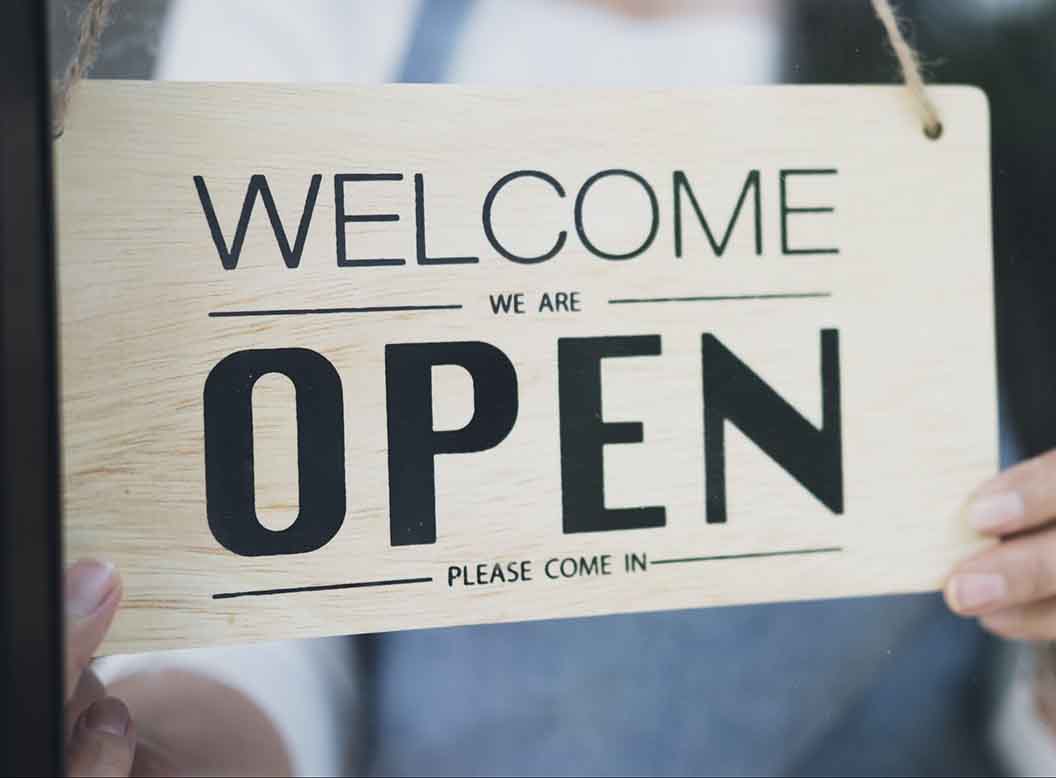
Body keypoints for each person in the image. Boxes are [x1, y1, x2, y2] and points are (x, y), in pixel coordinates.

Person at [62, 1, 1056, 775]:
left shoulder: (993, 55)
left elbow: (1009, 629)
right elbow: (254, 595)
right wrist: (171, 752)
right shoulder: (307, 24)